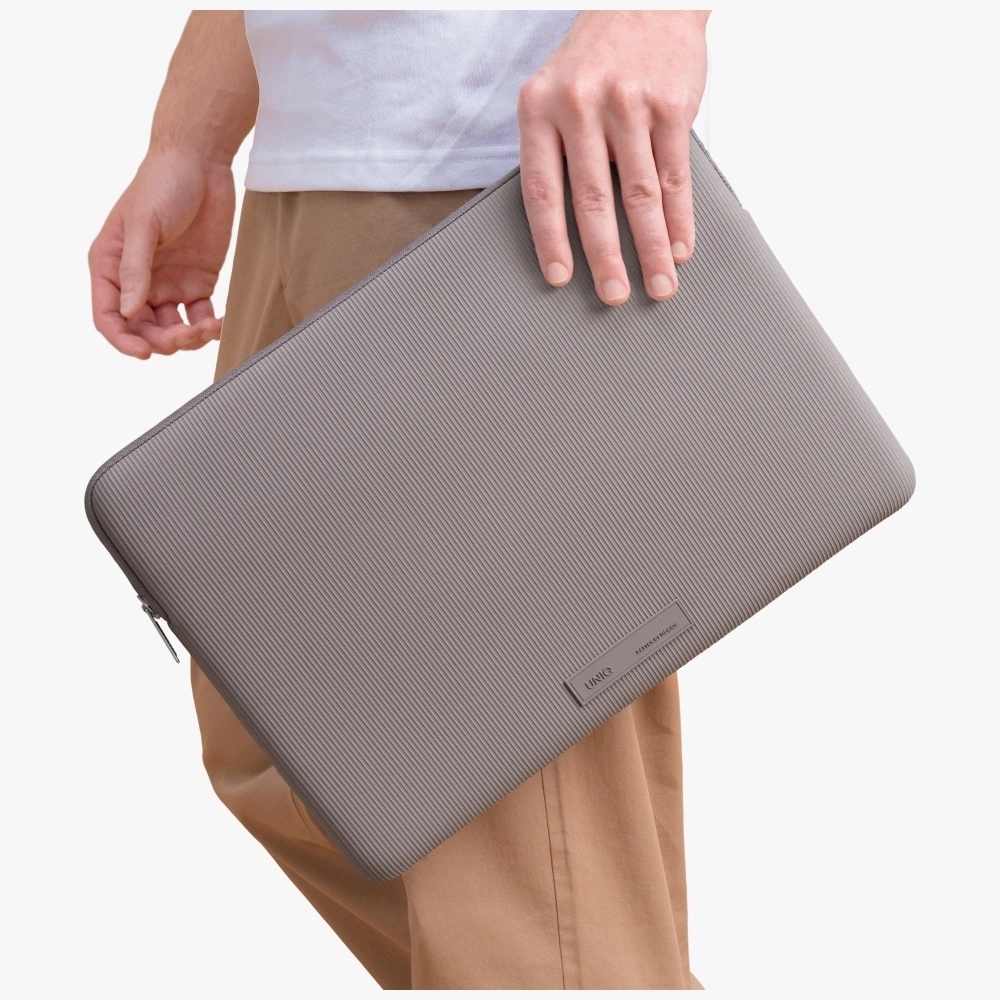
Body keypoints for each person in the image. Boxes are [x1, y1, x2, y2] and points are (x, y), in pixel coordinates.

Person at [88, 10, 711, 990]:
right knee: (274, 734)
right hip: (309, 156)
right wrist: (193, 138)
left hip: (487, 167)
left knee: (513, 859)